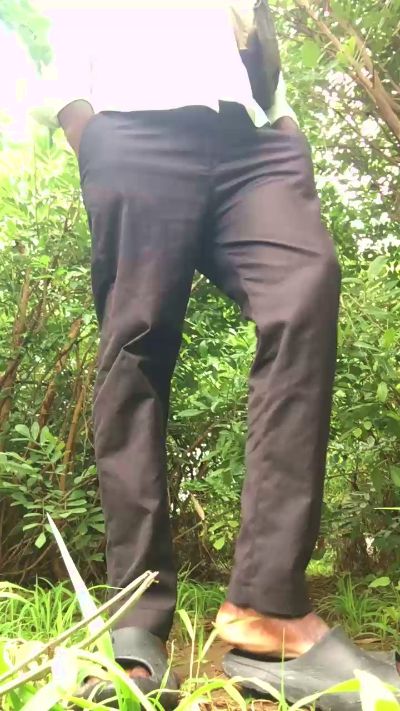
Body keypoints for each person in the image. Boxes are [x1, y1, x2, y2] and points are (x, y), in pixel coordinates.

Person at [33, 1, 399, 708]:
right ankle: (134, 626)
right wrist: (80, 118)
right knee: (136, 351)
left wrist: (284, 123)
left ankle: (267, 609)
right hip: (130, 119)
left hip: (251, 131)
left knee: (304, 287)